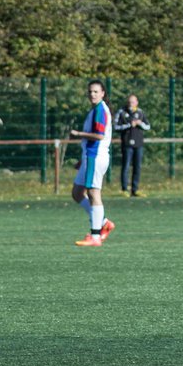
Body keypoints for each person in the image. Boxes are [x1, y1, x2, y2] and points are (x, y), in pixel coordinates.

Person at [70, 80, 116, 247]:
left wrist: (78, 134)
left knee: (93, 194)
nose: (92, 94)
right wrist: (82, 160)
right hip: (89, 156)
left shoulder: (100, 111)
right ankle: (103, 222)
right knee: (77, 193)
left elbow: (99, 136)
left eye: (96, 91)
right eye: (90, 92)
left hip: (96, 156)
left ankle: (95, 235)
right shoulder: (95, 110)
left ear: (103, 93)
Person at [114, 94, 150, 197]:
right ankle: (125, 189)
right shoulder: (122, 112)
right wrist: (129, 125)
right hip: (126, 144)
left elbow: (148, 126)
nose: (131, 104)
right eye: (129, 102)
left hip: (139, 144)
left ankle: (135, 189)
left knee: (137, 166)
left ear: (136, 102)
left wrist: (140, 123)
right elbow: (116, 127)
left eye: (133, 102)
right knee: (126, 166)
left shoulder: (140, 112)